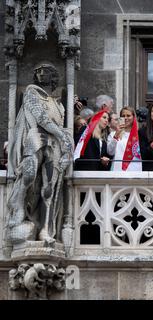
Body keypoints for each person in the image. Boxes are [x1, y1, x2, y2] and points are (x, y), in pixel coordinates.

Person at [7, 62, 73, 244]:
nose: (41, 74)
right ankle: (18, 205)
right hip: (36, 138)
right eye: (38, 71)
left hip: (54, 145)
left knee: (49, 189)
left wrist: (66, 144)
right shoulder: (31, 92)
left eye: (46, 71)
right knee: (28, 174)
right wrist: (63, 136)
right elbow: (42, 119)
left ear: (53, 76)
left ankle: (45, 230)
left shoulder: (58, 104)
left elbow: (61, 124)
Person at [107, 106, 142, 171]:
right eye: (123, 116)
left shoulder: (139, 135)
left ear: (134, 117)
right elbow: (110, 152)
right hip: (118, 170)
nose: (125, 118)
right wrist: (116, 134)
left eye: (128, 115)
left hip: (135, 170)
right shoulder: (113, 134)